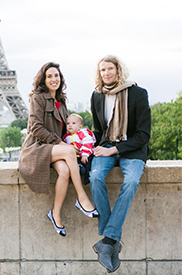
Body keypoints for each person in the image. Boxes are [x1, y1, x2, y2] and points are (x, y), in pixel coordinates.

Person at [18, 62, 99, 237]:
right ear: (43, 80)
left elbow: (66, 129)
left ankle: (55, 214)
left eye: (57, 75)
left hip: (54, 147)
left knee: (64, 171)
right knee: (69, 151)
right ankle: (82, 197)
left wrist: (75, 143)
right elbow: (36, 129)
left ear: (60, 78)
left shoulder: (61, 101)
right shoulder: (37, 98)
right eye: (50, 76)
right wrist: (63, 145)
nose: (54, 79)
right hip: (37, 147)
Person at [89, 55, 151, 273]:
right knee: (95, 177)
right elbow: (99, 131)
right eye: (102, 70)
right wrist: (90, 150)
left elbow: (143, 134)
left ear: (118, 70)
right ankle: (111, 240)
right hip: (105, 147)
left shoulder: (138, 93)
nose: (106, 73)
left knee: (132, 181)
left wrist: (113, 150)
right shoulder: (97, 96)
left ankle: (108, 240)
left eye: (110, 69)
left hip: (131, 149)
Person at [63, 113, 96, 185]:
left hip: (85, 154)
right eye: (68, 123)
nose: (70, 125)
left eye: (73, 123)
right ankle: (76, 173)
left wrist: (85, 154)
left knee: (88, 162)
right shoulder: (66, 137)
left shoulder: (82, 133)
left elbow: (88, 143)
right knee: (71, 164)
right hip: (75, 157)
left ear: (80, 127)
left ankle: (87, 175)